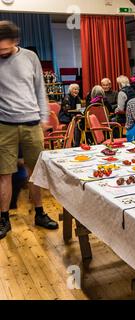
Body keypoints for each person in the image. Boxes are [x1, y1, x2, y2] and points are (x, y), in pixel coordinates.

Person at [0, 20, 59, 239]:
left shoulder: (29, 58)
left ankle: (40, 213)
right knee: (3, 173)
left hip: (32, 123)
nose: (2, 53)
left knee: (36, 172)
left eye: (5, 49)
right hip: (4, 125)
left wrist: (44, 118)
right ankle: (3, 218)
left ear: (15, 41)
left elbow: (39, 89)